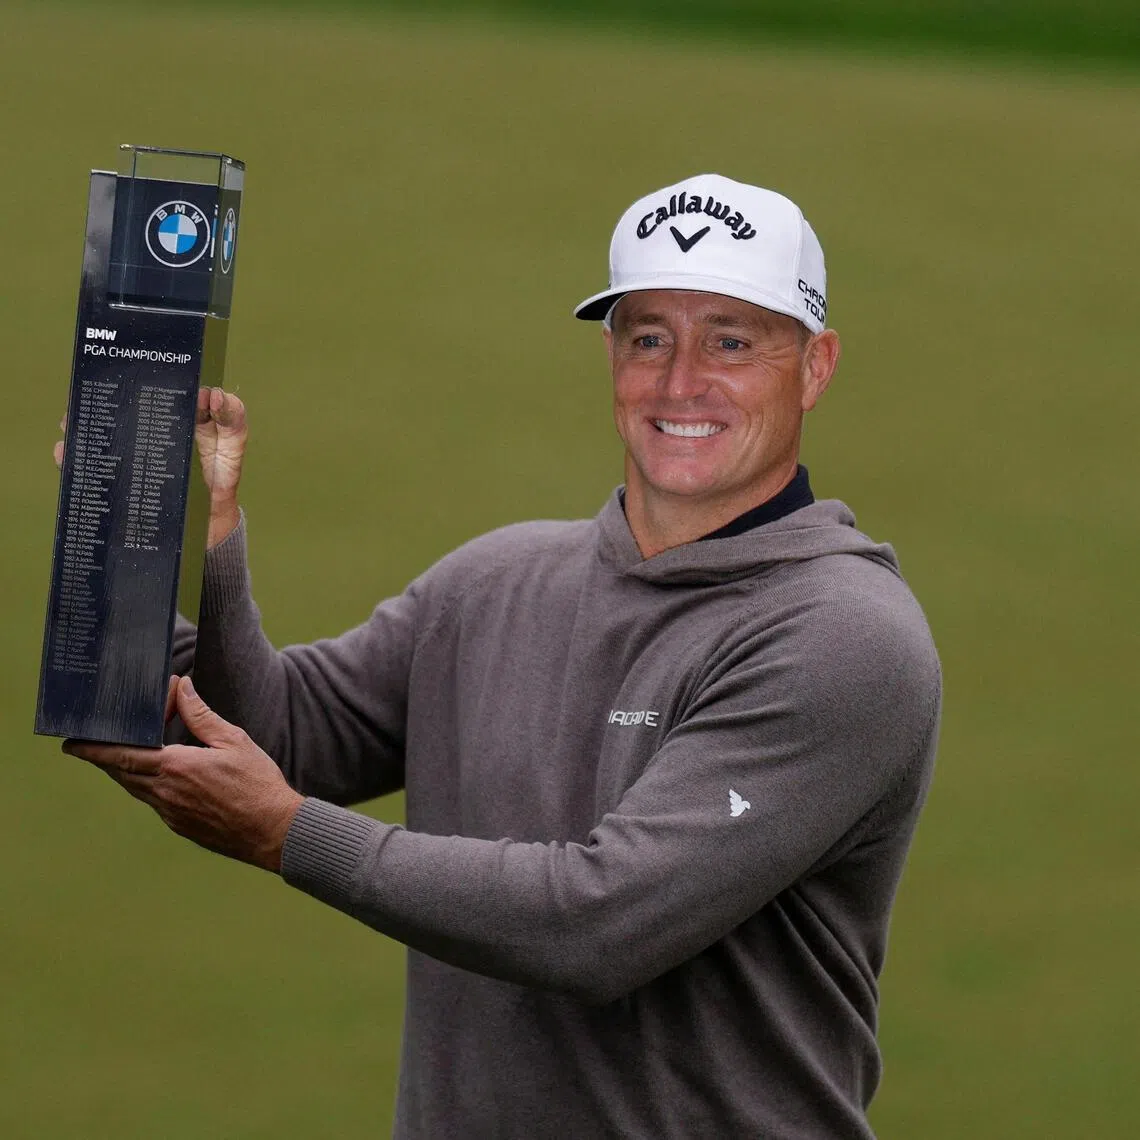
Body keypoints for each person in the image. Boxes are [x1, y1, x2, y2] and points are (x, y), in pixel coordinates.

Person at [64, 173, 941, 1138]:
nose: (680, 380)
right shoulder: (497, 579)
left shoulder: (842, 636)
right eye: (649, 336)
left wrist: (287, 833)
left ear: (815, 366)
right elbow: (276, 738)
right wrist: (148, 535)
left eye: (731, 340)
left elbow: (600, 923)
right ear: (612, 355)